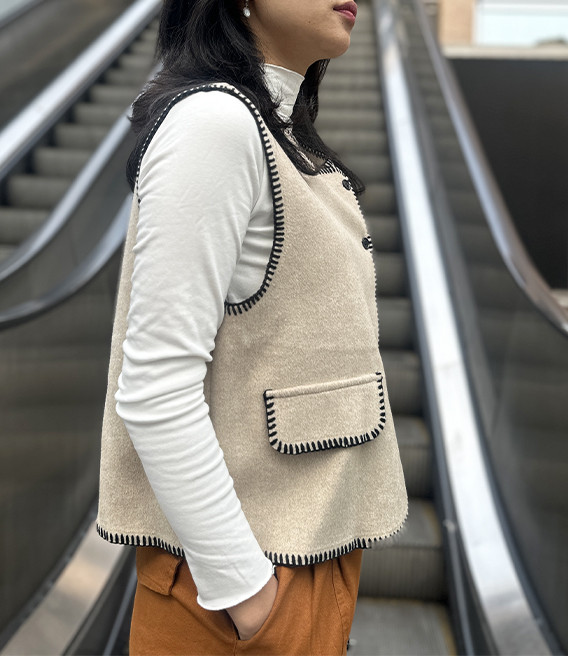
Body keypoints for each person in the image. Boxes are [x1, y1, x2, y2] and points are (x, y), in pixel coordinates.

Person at [96, 0, 408, 653]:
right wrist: (250, 598)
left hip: (302, 560)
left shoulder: (272, 131)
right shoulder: (214, 122)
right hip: (243, 592)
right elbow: (154, 387)